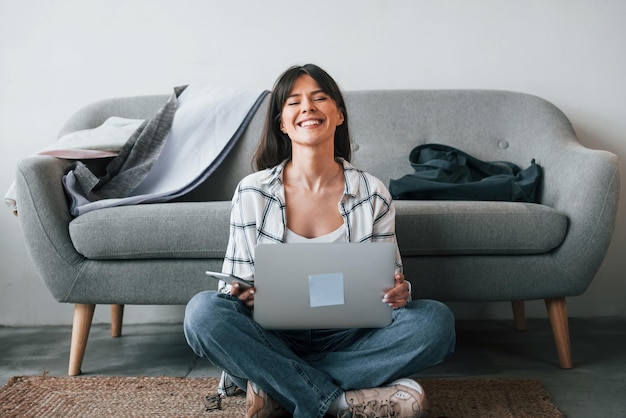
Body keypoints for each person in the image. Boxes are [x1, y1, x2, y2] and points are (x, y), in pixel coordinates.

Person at [184, 64, 456, 418]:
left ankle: (280, 387)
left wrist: (398, 293)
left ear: (338, 114)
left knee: (436, 322)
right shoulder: (252, 191)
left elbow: (390, 286)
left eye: (319, 98)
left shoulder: (372, 192)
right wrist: (244, 294)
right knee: (203, 313)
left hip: (350, 335)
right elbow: (231, 291)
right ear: (282, 123)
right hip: (272, 333)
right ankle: (339, 401)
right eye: (294, 102)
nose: (307, 108)